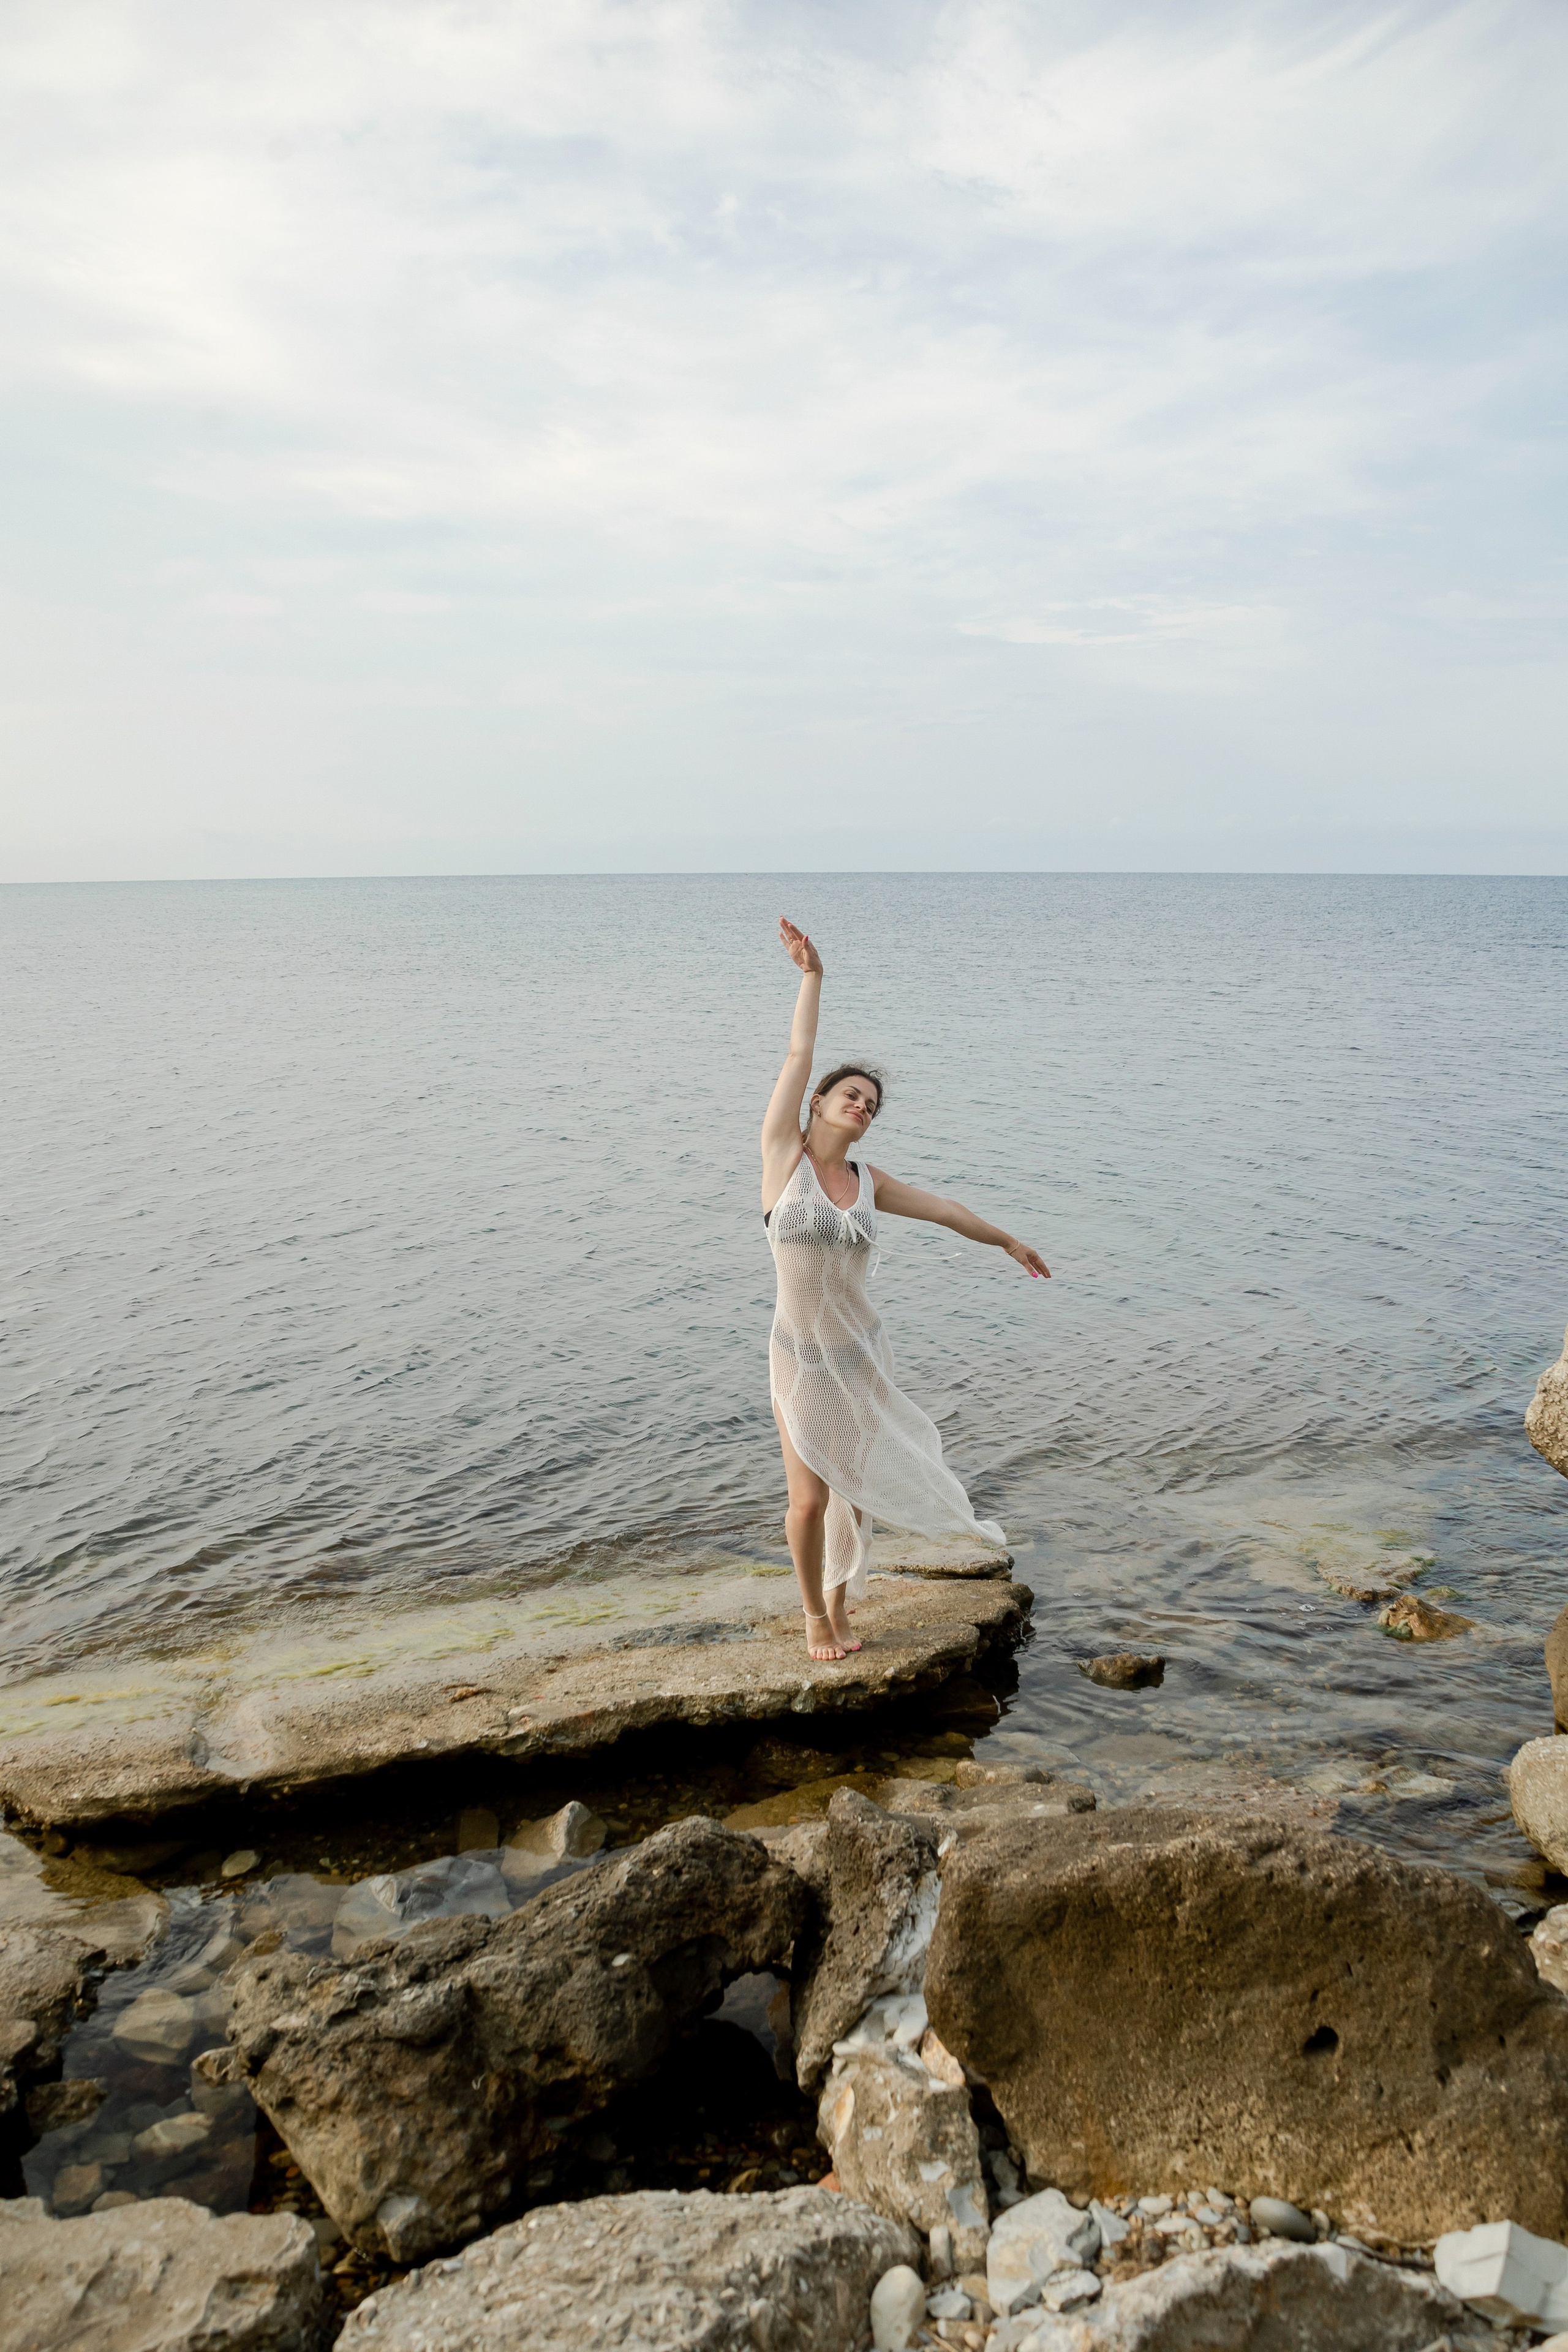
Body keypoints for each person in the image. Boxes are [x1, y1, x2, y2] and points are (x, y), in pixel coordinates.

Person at [761, 917, 1050, 1661]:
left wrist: (1007, 1240)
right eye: (850, 1095)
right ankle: (813, 1617)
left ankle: (839, 1604)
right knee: (808, 1499)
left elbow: (946, 1210)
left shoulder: (869, 1181)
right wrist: (812, 976)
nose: (861, 1105)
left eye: (871, 1104)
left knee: (853, 1493)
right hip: (798, 1357)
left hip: (859, 1355)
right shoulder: (783, 1157)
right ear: (818, 1101)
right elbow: (798, 1052)